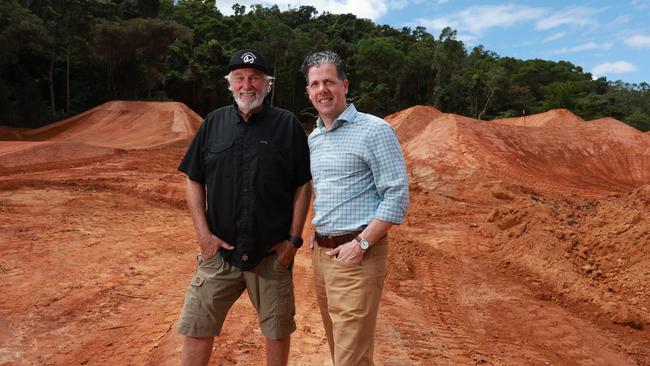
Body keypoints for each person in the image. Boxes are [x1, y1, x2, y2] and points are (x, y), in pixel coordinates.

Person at [176, 49, 311, 366]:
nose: (247, 85)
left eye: (254, 78)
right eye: (240, 78)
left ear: (268, 84)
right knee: (197, 326)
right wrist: (204, 237)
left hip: (270, 257)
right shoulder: (213, 123)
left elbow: (303, 185)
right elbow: (194, 179)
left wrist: (292, 242)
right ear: (230, 83)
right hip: (219, 254)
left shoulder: (287, 125)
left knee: (276, 332)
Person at [301, 50, 409, 365]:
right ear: (308, 92)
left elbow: (397, 195)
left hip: (357, 256)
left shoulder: (374, 130)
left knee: (348, 356)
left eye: (329, 82)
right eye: (315, 84)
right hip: (323, 255)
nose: (322, 89)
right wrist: (316, 227)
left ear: (345, 85)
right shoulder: (315, 138)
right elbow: (322, 188)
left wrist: (361, 243)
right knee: (345, 351)